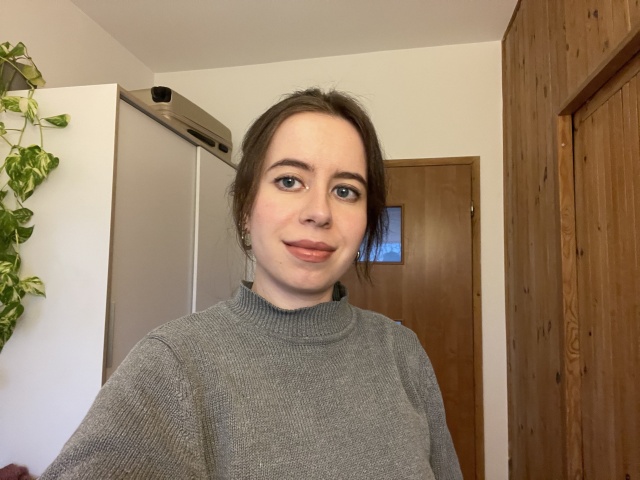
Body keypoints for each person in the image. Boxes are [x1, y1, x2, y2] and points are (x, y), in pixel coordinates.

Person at [40, 88, 462, 479]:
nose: (319, 212)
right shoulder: (173, 364)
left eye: (346, 191)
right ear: (246, 208)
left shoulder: (401, 352)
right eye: (289, 181)